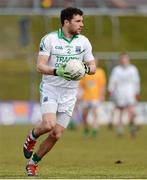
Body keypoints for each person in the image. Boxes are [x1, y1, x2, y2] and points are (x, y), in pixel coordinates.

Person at [23, 7, 96, 176]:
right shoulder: (50, 39)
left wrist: (82, 68)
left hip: (70, 93)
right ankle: (32, 137)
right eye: (78, 21)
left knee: (56, 134)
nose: (82, 24)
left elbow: (92, 67)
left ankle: (33, 163)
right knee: (48, 125)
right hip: (52, 88)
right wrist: (58, 71)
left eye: (82, 21)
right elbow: (40, 66)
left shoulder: (83, 42)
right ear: (66, 22)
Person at [108, 52, 140, 137]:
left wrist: (137, 92)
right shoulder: (117, 70)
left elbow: (136, 82)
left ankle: (133, 128)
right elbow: (112, 81)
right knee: (121, 111)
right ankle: (120, 130)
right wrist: (110, 90)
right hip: (120, 93)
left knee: (132, 111)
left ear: (128, 59)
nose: (124, 60)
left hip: (130, 93)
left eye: (125, 58)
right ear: (120, 60)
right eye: (122, 58)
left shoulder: (133, 69)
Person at [79, 59, 106, 138]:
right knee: (84, 115)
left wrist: (102, 95)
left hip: (95, 97)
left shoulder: (100, 72)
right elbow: (81, 85)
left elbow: (102, 85)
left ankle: (94, 130)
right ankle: (86, 129)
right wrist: (79, 95)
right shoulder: (85, 71)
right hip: (86, 97)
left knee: (95, 113)